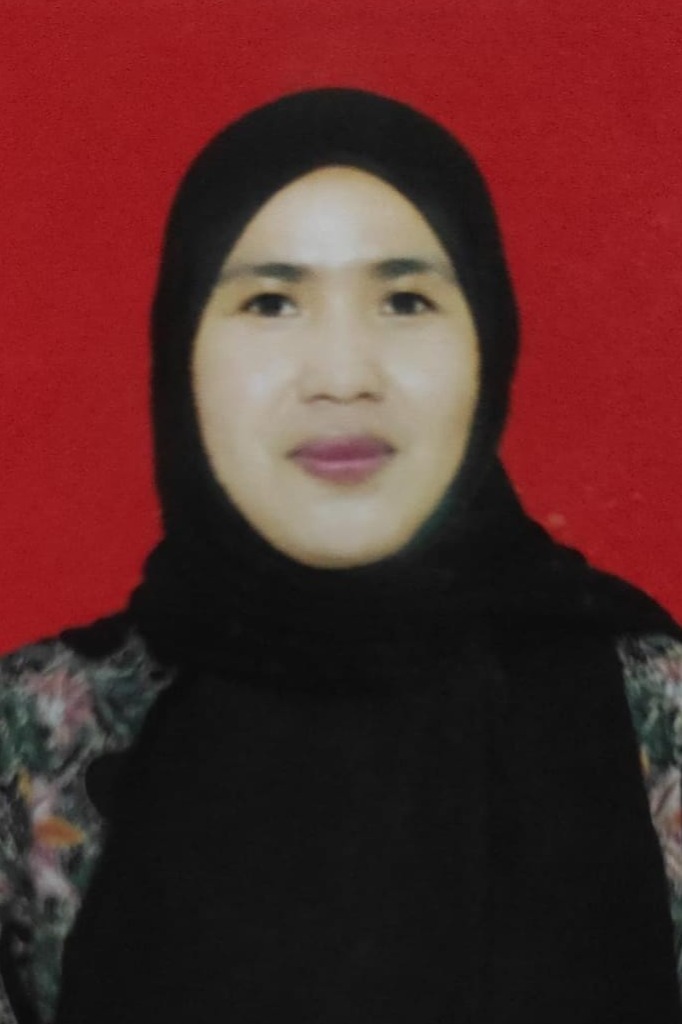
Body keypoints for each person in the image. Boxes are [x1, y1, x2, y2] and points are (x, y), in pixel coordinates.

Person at [0, 87, 681, 1024]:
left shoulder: (658, 717)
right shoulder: (32, 743)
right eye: (271, 302)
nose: (343, 376)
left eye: (405, 300)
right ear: (182, 350)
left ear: (488, 341)